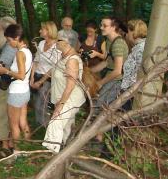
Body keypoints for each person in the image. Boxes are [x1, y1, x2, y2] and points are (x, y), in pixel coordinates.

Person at [43, 36, 87, 153]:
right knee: (67, 126)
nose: (56, 42)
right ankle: (66, 153)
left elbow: (70, 85)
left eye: (59, 40)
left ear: (67, 43)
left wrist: (61, 104)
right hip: (64, 97)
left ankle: (53, 155)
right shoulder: (64, 56)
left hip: (71, 98)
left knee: (55, 122)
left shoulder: (72, 60)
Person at [90, 17, 129, 149]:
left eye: (104, 25)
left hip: (116, 81)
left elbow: (118, 70)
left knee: (101, 109)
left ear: (113, 27)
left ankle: (103, 141)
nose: (101, 27)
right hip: (110, 78)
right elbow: (107, 62)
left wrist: (101, 82)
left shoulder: (118, 44)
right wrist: (89, 71)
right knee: (102, 110)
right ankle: (100, 138)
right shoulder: (108, 40)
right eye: (101, 25)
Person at [0, 24, 32, 156]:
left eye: (10, 40)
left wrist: (6, 71)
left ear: (17, 38)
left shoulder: (19, 53)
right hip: (25, 92)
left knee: (14, 125)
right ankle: (26, 148)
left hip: (16, 92)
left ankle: (17, 152)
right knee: (23, 122)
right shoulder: (27, 51)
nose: (9, 43)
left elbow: (21, 75)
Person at [30, 21, 61, 128]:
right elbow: (36, 60)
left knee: (42, 104)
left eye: (42, 29)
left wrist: (41, 81)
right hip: (36, 75)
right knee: (36, 102)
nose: (40, 31)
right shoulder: (41, 43)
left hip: (47, 79)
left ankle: (46, 127)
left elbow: (54, 67)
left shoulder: (57, 46)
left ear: (48, 31)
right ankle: (39, 125)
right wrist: (32, 78)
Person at [120, 19, 148, 101]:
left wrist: (128, 91)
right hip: (129, 93)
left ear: (134, 32)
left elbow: (142, 72)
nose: (127, 34)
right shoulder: (137, 47)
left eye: (128, 32)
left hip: (132, 94)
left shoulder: (141, 48)